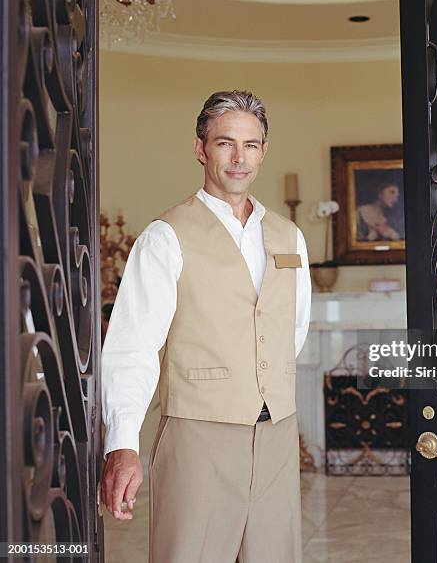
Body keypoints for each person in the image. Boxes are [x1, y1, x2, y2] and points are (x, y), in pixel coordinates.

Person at [100, 90, 312, 562]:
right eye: (225, 143)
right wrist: (122, 443)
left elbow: (291, 332)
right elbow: (133, 346)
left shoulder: (289, 236)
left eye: (251, 145)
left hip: (277, 437)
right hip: (197, 438)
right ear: (200, 148)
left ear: (263, 151)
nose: (239, 158)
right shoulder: (165, 236)